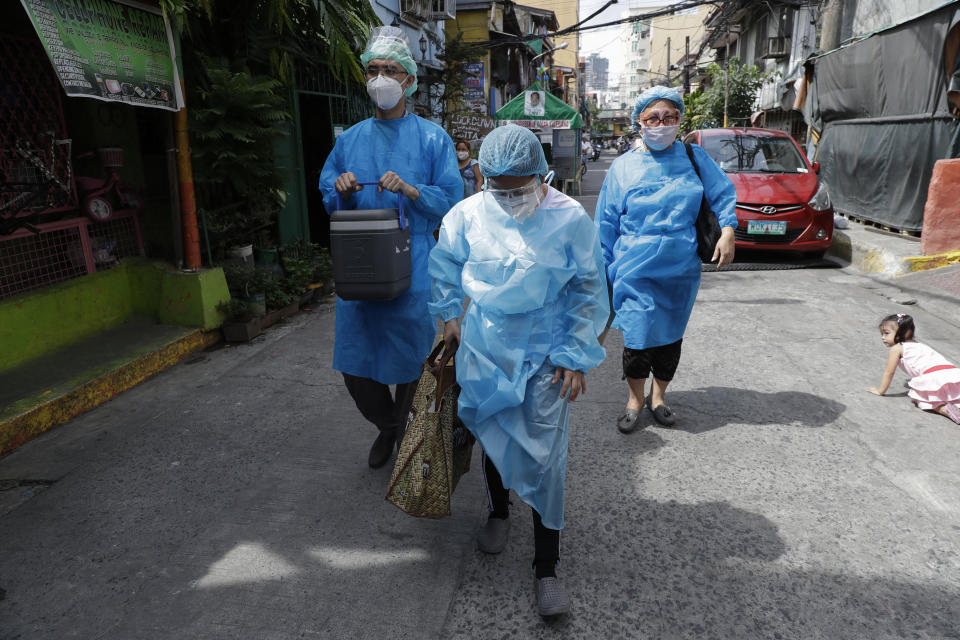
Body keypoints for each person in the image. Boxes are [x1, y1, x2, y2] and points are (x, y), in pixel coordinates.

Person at [428, 124, 609, 617]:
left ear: (541, 173)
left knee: (547, 458)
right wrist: (448, 317)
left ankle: (546, 568)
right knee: (493, 433)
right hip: (487, 349)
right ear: (483, 175)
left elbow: (587, 288)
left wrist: (576, 355)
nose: (511, 199)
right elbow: (444, 264)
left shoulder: (569, 218)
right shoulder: (466, 214)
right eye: (500, 189)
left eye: (521, 188)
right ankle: (498, 511)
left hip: (548, 354)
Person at [318, 26, 462, 469]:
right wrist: (340, 190)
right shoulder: (350, 140)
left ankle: (401, 435)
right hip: (360, 263)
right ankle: (386, 426)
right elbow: (328, 194)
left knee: (414, 364)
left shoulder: (432, 138)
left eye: (391, 70)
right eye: (374, 69)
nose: (381, 78)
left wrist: (415, 191)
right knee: (356, 368)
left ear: (409, 79)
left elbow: (452, 200)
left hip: (413, 263)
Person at [595, 86, 737, 434]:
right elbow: (606, 223)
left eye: (669, 117)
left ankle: (659, 398)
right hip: (633, 268)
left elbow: (722, 194)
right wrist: (601, 274)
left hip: (680, 267)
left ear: (679, 120)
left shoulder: (694, 158)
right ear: (638, 123)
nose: (661, 124)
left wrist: (729, 229)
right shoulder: (623, 167)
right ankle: (634, 399)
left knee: (671, 337)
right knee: (638, 338)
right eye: (652, 118)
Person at [868, 313, 960, 424]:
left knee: (922, 398)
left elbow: (889, 372)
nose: (883, 337)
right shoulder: (920, 345)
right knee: (954, 396)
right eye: (882, 334)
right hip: (953, 373)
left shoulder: (897, 348)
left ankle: (945, 410)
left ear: (905, 333)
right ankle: (954, 406)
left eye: (887, 333)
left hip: (933, 376)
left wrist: (880, 391)